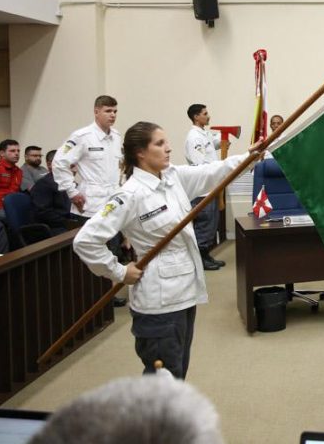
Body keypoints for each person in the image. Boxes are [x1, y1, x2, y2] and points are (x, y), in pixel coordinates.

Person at [73, 121, 256, 378]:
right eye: (160, 144)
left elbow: (214, 171)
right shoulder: (130, 194)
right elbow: (86, 241)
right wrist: (118, 271)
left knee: (177, 371)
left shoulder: (173, 178)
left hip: (184, 292)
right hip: (158, 300)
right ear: (140, 153)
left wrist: (251, 156)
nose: (169, 148)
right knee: (163, 377)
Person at [54, 95, 127, 305]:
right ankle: (93, 298)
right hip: (90, 205)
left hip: (113, 202)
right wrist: (71, 191)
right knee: (94, 252)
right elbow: (59, 162)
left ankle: (107, 296)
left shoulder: (116, 136)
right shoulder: (82, 136)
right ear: (96, 111)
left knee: (112, 250)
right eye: (107, 111)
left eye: (115, 111)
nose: (112, 115)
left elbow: (118, 169)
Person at [29, 372, 224, 444]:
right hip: (159, 307)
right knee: (161, 377)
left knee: (175, 374)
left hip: (182, 299)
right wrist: (121, 277)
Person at [185, 104, 224, 270]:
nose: (209, 116)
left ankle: (206, 254)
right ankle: (200, 258)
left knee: (212, 222)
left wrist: (225, 136)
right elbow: (200, 162)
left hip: (212, 185)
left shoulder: (204, 133)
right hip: (202, 188)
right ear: (196, 117)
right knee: (204, 222)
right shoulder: (194, 137)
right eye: (205, 114)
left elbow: (214, 143)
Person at [31, 150, 85, 235]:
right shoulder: (43, 185)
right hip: (54, 227)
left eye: (74, 166)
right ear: (51, 165)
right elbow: (44, 213)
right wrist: (70, 222)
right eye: (69, 166)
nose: (74, 170)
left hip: (70, 222)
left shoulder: (70, 184)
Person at [0, 139, 22, 220]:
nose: (16, 153)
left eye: (18, 151)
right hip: (0, 207)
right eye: (12, 151)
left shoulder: (19, 171)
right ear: (2, 153)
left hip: (12, 205)